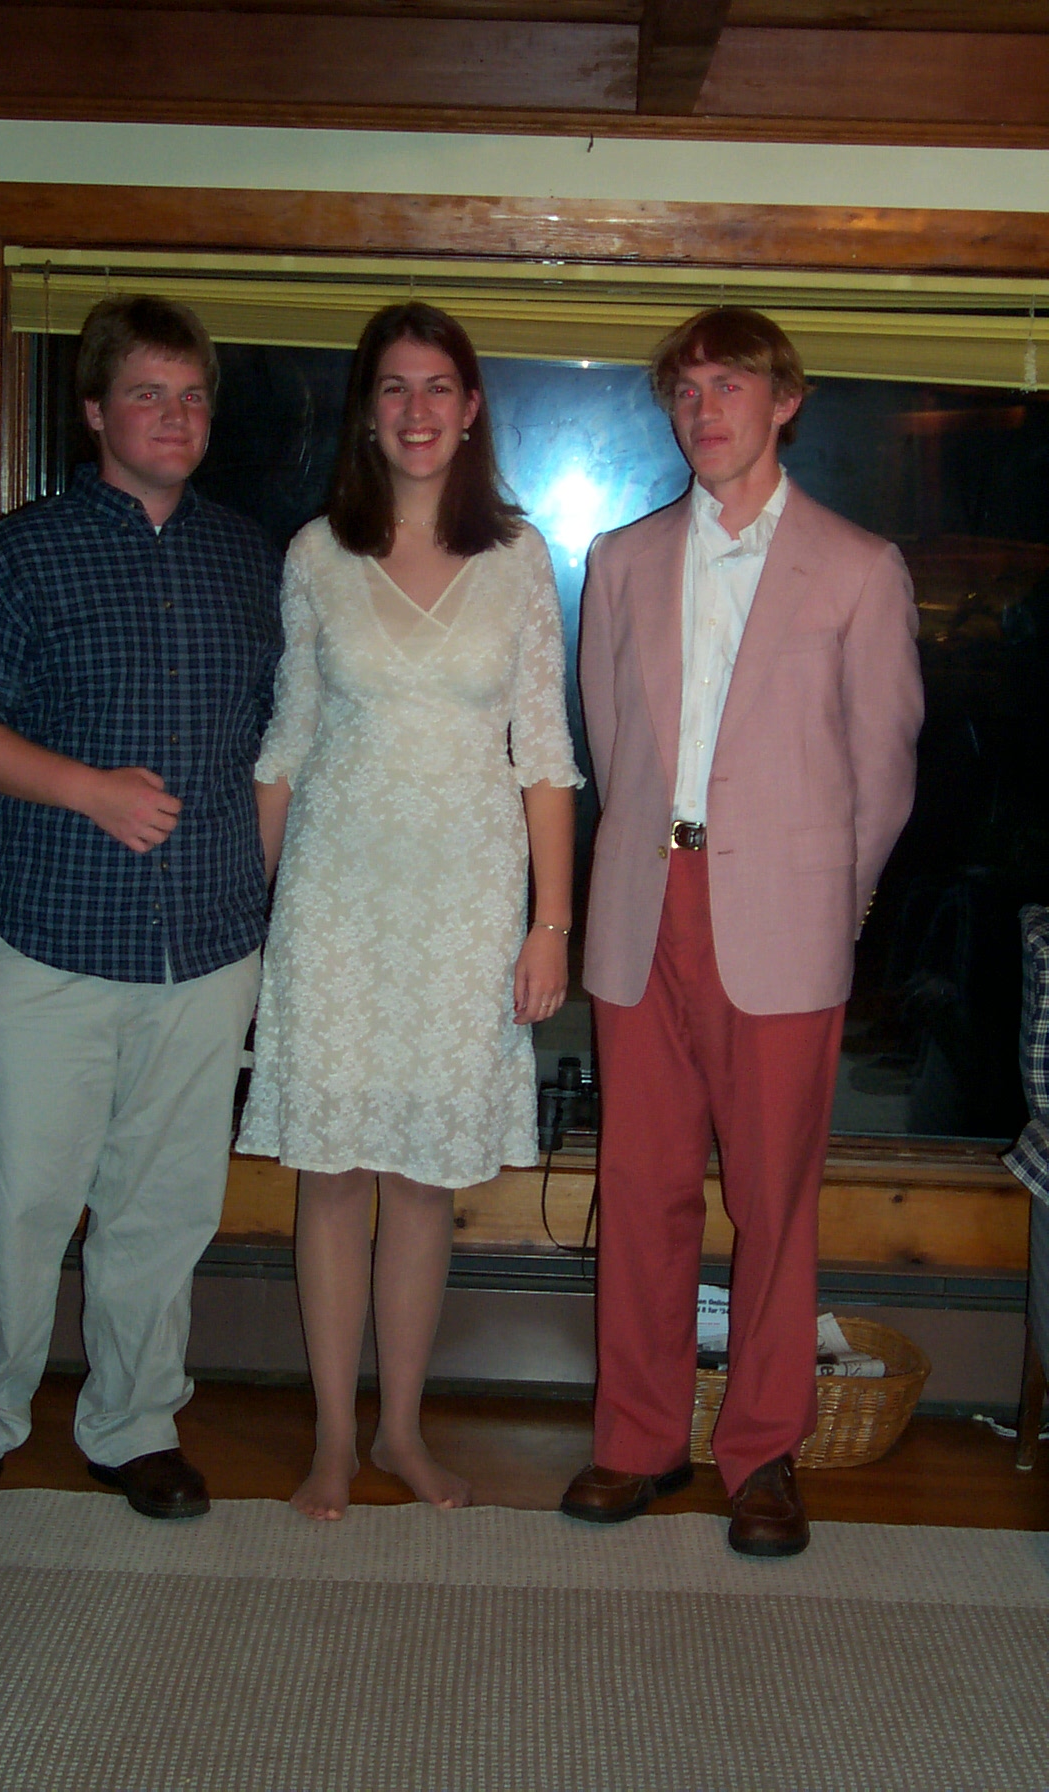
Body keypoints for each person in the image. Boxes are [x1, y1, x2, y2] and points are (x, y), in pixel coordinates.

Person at [0, 296, 282, 1522]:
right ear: (94, 411)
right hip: (50, 947)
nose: (173, 416)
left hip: (206, 953)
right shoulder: (18, 554)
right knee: (12, 1201)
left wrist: (264, 891)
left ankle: (133, 1425)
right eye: (146, 393)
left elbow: (284, 744)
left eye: (191, 396)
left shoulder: (251, 561)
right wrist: (87, 789)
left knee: (161, 1210)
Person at [562, 307, 923, 1556]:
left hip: (783, 923)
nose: (704, 408)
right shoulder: (620, 559)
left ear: (786, 401)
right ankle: (637, 1439)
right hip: (642, 910)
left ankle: (763, 1451)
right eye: (687, 389)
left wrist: (829, 902)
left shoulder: (859, 567)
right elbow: (615, 741)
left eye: (730, 384)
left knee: (775, 1199)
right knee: (640, 1185)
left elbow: (884, 774)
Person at [238, 301, 582, 1520]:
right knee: (332, 1174)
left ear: (471, 408)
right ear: (368, 411)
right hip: (334, 901)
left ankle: (401, 1431)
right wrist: (254, 924)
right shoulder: (315, 554)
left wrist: (550, 924)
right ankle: (335, 1439)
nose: (417, 408)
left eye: (439, 386)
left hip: (465, 909)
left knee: (425, 1183)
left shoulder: (518, 558)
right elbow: (288, 741)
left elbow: (547, 753)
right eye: (394, 386)